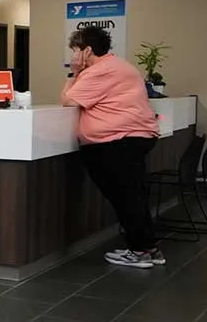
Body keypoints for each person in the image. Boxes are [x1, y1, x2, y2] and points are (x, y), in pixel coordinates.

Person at [63, 25, 164, 268]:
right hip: (132, 138)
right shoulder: (121, 66)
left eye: (75, 51)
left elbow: (68, 100)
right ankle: (149, 248)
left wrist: (74, 73)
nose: (73, 57)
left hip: (116, 142)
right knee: (133, 196)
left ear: (87, 50)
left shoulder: (99, 71)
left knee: (126, 198)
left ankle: (140, 251)